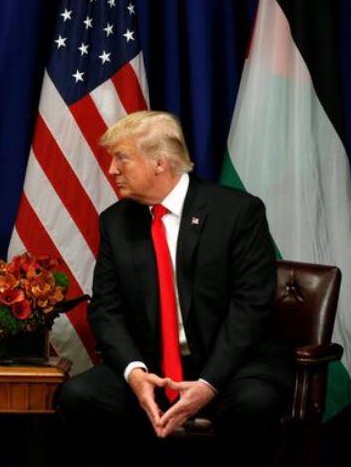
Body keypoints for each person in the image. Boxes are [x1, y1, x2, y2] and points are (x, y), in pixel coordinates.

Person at [57, 111, 293, 464]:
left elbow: (250, 306)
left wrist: (208, 384)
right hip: (152, 367)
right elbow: (106, 309)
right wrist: (135, 374)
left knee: (254, 403)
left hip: (230, 367)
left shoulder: (238, 212)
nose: (112, 169)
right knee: (79, 396)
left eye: (122, 158)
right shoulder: (115, 223)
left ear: (160, 163)